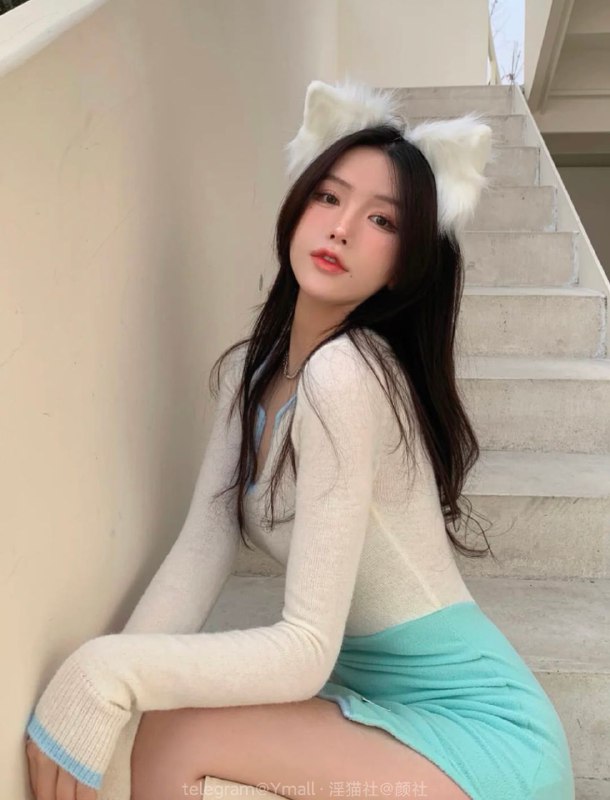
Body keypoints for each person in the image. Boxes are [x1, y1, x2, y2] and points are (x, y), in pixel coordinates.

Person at [24, 78, 575, 800]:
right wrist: (112, 688)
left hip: (484, 739)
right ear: (297, 205)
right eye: (328, 197)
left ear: (405, 263)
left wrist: (107, 671)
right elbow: (201, 548)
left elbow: (306, 650)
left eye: (382, 220)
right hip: (375, 709)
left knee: (175, 735)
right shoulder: (254, 371)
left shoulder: (348, 374)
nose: (342, 228)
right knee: (150, 730)